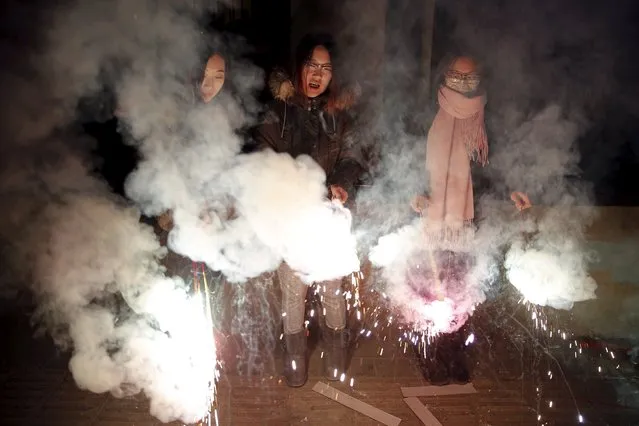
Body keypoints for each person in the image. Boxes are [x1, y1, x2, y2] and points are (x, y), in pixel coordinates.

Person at [253, 33, 366, 387]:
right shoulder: (278, 111)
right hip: (290, 219)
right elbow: (262, 157)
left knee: (334, 288)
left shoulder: (341, 116)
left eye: (326, 68)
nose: (318, 75)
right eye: (311, 66)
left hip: (329, 218)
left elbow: (351, 158)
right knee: (293, 289)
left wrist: (342, 184)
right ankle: (295, 358)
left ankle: (336, 356)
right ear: (298, 67)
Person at [410, 56, 531, 385]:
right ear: (445, 76)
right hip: (430, 220)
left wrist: (512, 188)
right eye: (456, 76)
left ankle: (454, 354)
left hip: (466, 220)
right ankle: (431, 355)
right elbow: (406, 157)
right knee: (430, 290)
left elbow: (492, 161)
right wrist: (414, 192)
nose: (463, 82)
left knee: (461, 290)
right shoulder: (427, 111)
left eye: (470, 77)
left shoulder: (483, 114)